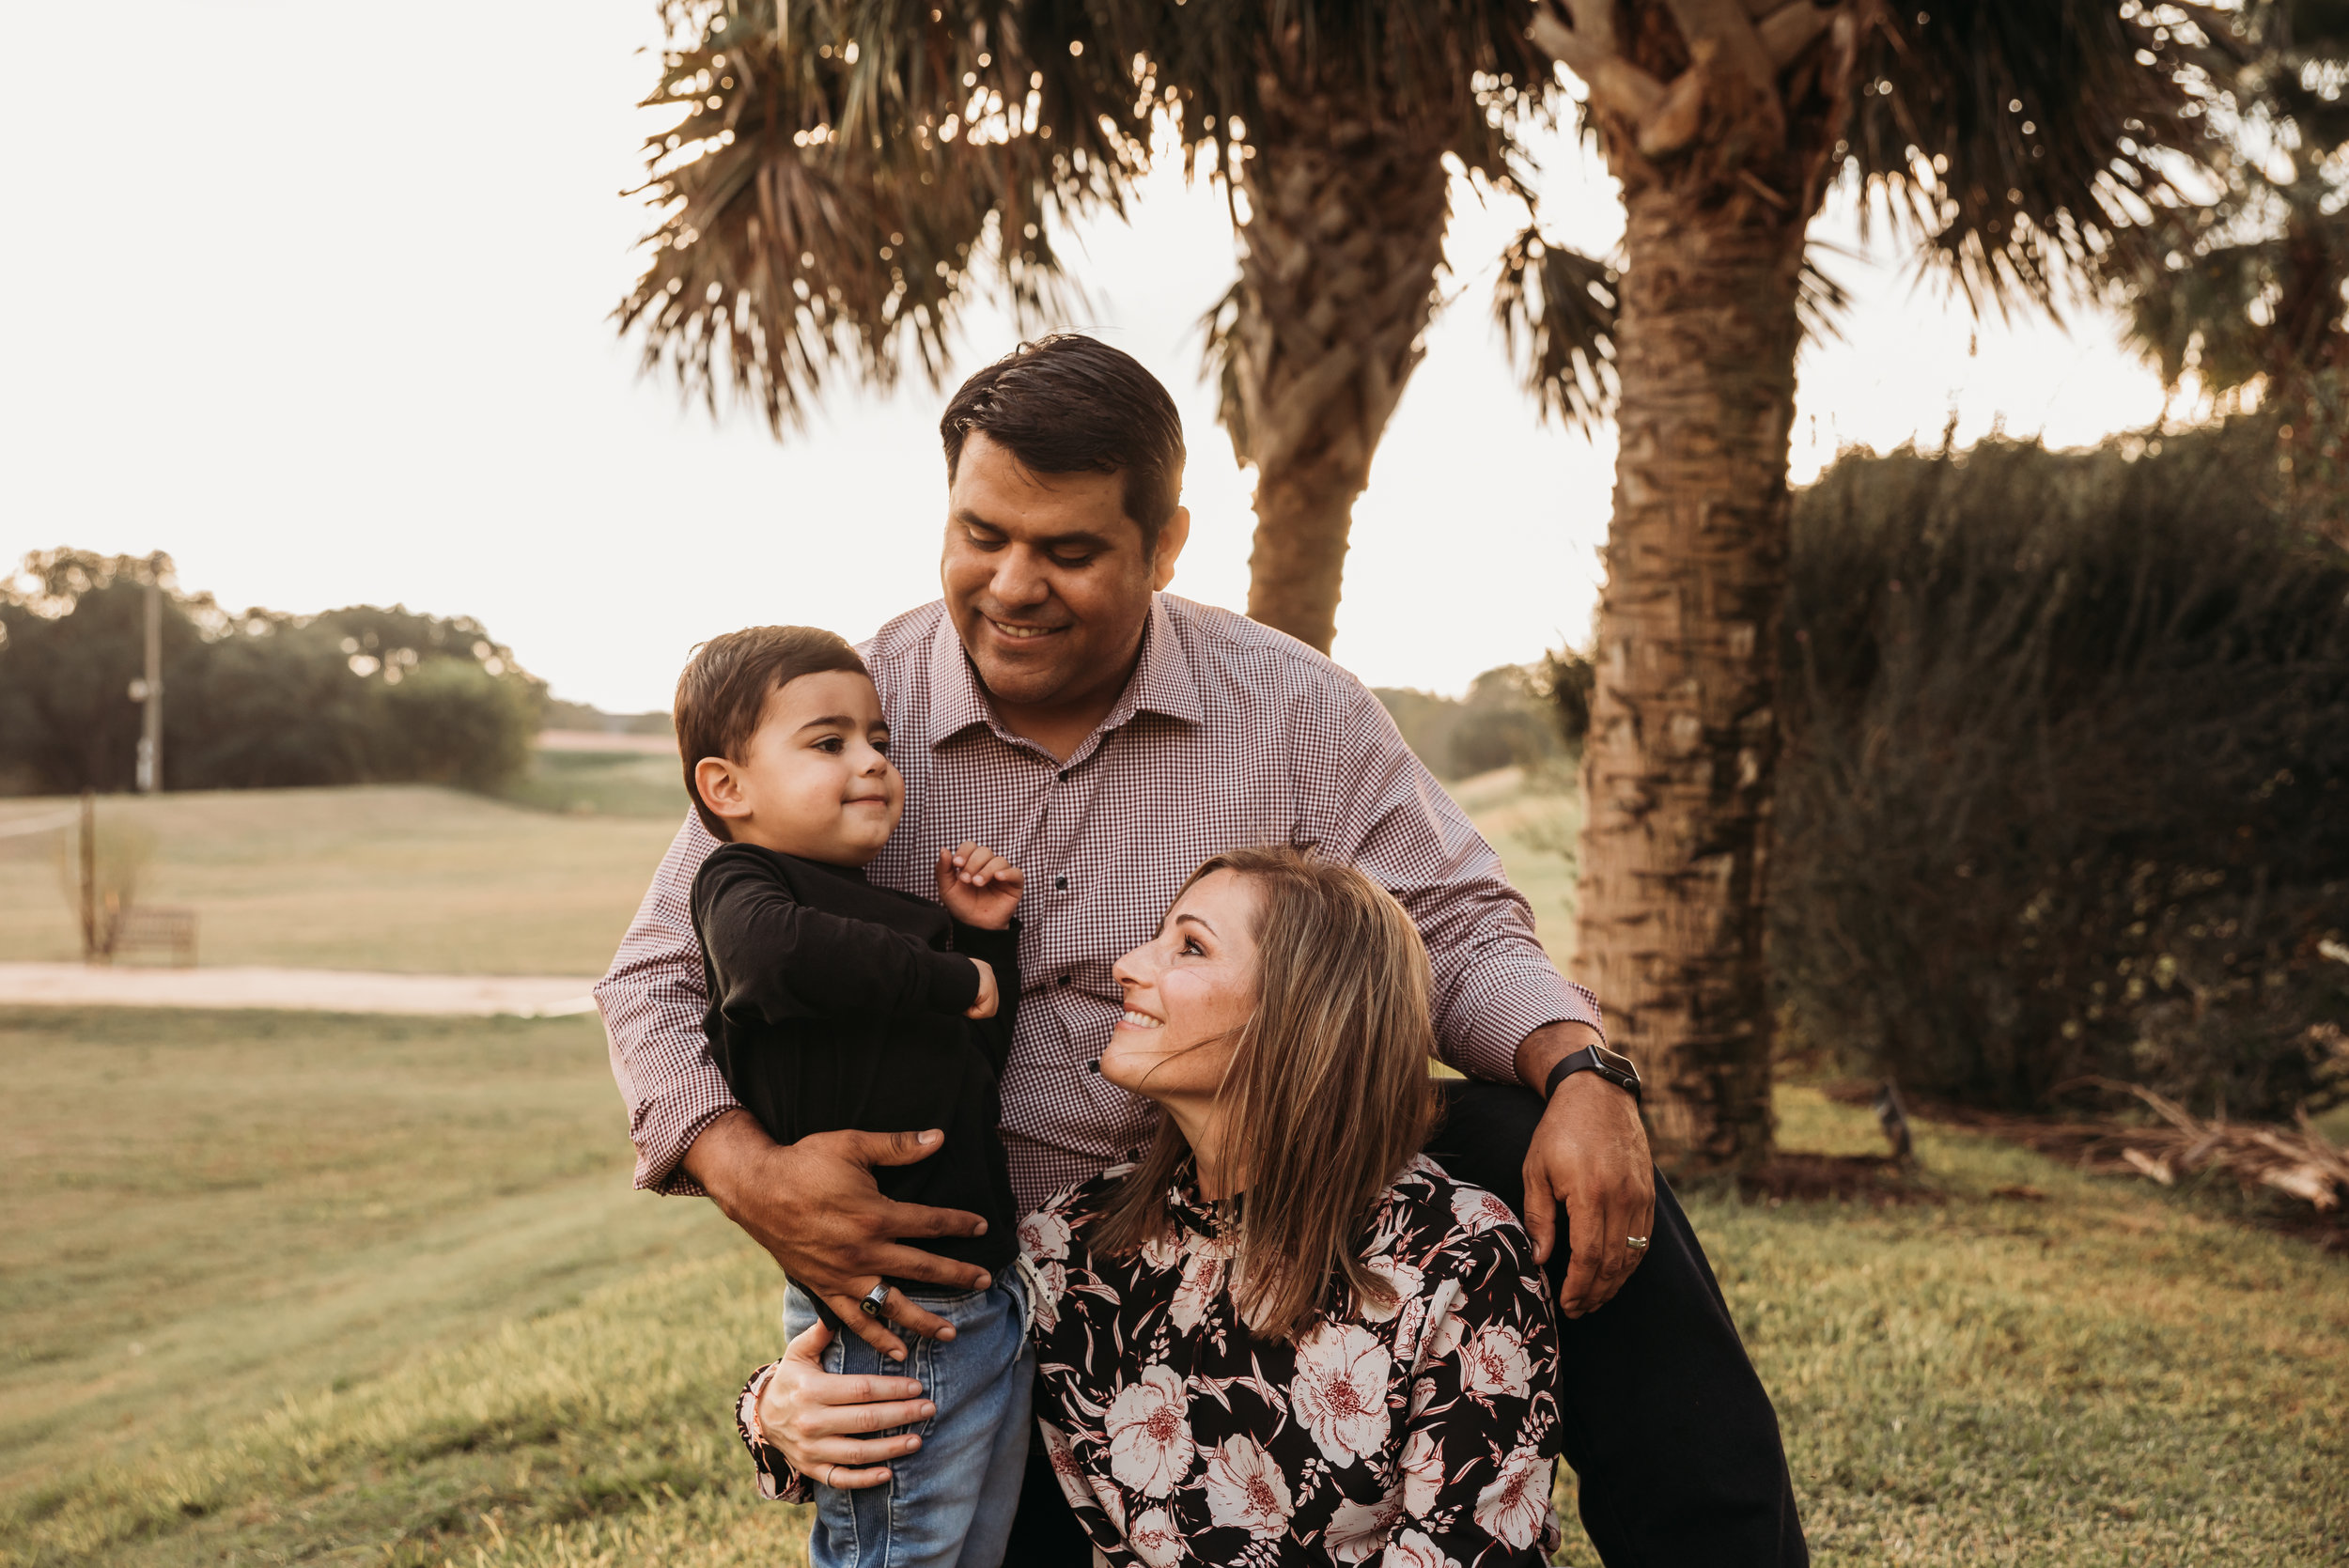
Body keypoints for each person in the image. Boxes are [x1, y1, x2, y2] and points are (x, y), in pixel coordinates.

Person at [596, 334, 1807, 1564]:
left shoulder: (1290, 709)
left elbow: (1452, 926)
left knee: (1539, 1153)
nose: (1012, 584)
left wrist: (1583, 1069)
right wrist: (754, 1179)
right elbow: (654, 979)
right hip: (1015, 1253)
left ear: (1165, 544)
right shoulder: (845, 711)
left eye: (1067, 550)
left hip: (1266, 1152)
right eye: (980, 535)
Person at [747, 846, 1566, 1566]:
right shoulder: (1074, 1248)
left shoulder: (1455, 1260)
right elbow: (917, 1361)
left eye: (1190, 946)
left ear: (1299, 1012)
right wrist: (773, 1412)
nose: (1128, 964)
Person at [674, 623, 1034, 1568]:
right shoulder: (742, 886)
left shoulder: (881, 914)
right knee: (900, 1549)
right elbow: (770, 958)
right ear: (727, 788)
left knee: (964, 1547)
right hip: (892, 1304)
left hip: (975, 1297)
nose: (871, 762)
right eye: (828, 743)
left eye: (879, 739)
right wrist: (950, 975)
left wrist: (980, 940)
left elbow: (976, 1061)